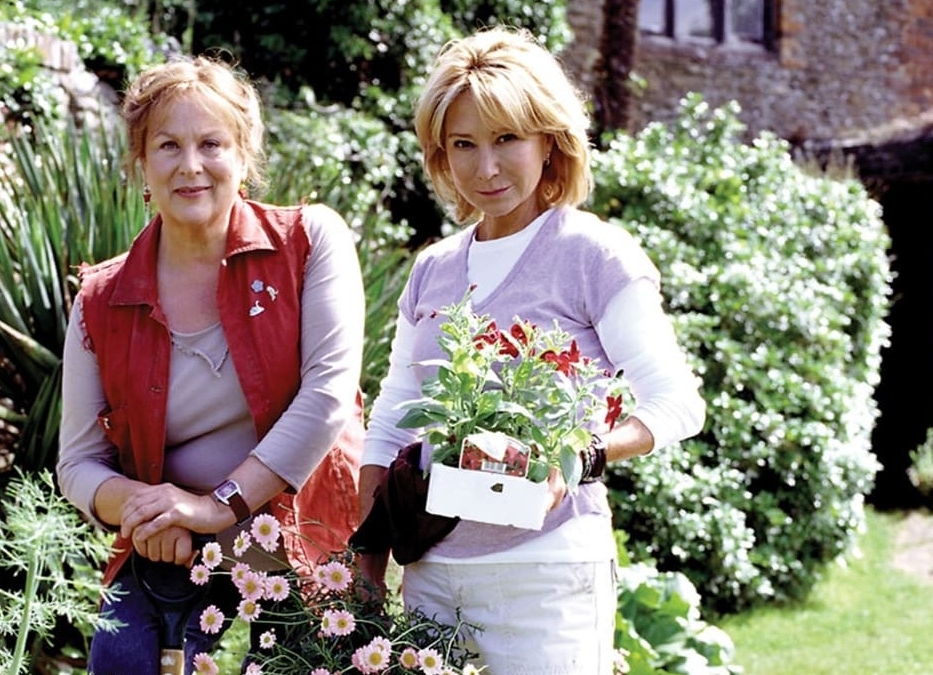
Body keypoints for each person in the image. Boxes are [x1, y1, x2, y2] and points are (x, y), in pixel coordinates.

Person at [355, 26, 706, 675]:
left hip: (547, 574)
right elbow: (387, 425)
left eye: (507, 139)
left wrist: (581, 451)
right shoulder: (432, 271)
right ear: (441, 154)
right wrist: (367, 569)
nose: (485, 168)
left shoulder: (592, 255)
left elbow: (679, 403)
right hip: (431, 573)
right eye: (464, 144)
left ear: (550, 139)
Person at [56, 54, 366, 675]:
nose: (190, 165)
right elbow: (78, 463)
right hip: (173, 547)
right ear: (141, 165)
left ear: (244, 154)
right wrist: (149, 507)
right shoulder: (100, 299)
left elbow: (329, 396)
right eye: (168, 145)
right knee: (121, 660)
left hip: (307, 542)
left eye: (212, 143)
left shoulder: (310, 243)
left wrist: (216, 506)